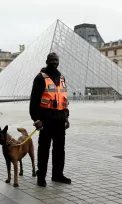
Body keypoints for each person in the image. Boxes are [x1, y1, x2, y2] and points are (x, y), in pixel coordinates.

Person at [29, 52, 71, 187]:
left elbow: (63, 99)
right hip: (46, 120)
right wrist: (36, 120)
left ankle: (57, 174)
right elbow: (34, 101)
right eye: (52, 60)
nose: (54, 62)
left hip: (60, 119)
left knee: (60, 149)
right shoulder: (40, 78)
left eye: (56, 60)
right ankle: (41, 176)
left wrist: (66, 117)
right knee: (44, 149)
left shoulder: (62, 78)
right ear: (47, 61)